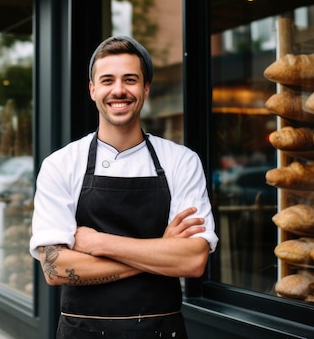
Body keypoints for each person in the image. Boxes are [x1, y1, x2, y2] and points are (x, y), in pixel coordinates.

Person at [29, 36, 218, 338]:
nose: (119, 90)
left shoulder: (181, 161)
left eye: (130, 80)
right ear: (92, 90)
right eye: (107, 80)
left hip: (161, 329)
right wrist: (161, 251)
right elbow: (55, 270)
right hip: (82, 331)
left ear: (145, 89)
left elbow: (193, 260)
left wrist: (98, 243)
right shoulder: (61, 164)